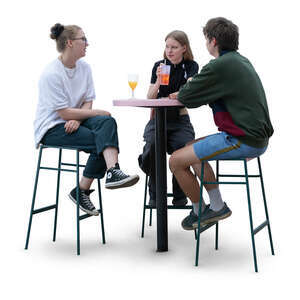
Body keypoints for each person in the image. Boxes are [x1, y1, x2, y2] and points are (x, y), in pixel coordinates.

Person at [169, 17, 274, 230]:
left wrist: (189, 85)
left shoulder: (219, 65)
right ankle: (215, 206)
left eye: (206, 39)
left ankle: (203, 212)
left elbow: (189, 97)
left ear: (213, 41)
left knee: (176, 161)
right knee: (190, 148)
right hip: (254, 136)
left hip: (244, 139)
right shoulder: (240, 60)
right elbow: (200, 95)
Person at [34, 23, 139, 216]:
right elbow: (64, 113)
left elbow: (87, 100)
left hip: (76, 118)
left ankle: (111, 172)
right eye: (83, 39)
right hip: (52, 127)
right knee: (101, 138)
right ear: (70, 43)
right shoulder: (51, 74)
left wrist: (81, 119)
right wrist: (96, 113)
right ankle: (84, 189)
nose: (87, 43)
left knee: (108, 123)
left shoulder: (84, 68)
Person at [138, 30, 198, 208]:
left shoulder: (191, 66)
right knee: (153, 148)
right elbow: (150, 98)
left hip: (180, 121)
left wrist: (177, 95)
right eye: (167, 46)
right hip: (158, 119)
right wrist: (157, 81)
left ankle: (180, 194)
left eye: (174, 47)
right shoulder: (160, 65)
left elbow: (191, 91)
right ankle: (155, 194)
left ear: (184, 48)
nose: (169, 51)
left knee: (184, 150)